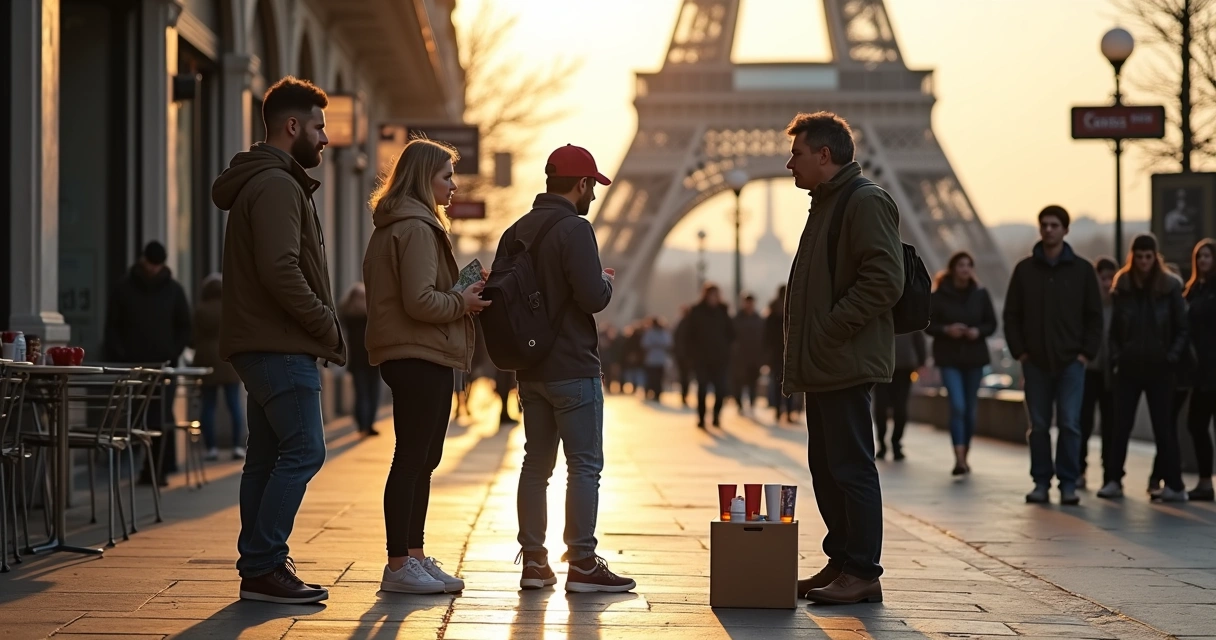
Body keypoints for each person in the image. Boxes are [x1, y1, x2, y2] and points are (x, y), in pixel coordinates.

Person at [211, 76, 344, 604]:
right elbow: (280, 269)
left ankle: (260, 568)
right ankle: (264, 563)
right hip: (280, 342)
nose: (325, 138)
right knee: (306, 450)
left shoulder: (266, 180)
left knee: (265, 458)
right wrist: (324, 323)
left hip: (263, 340)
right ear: (292, 126)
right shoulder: (276, 185)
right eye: (318, 127)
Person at [499, 145, 635, 593]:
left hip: (530, 369)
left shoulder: (516, 230)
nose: (593, 196)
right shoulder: (575, 229)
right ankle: (581, 561)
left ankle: (534, 562)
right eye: (591, 186)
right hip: (572, 367)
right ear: (580, 184)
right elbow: (592, 298)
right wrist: (608, 283)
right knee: (584, 466)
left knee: (535, 465)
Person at [781, 112, 904, 605]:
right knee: (827, 465)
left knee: (850, 466)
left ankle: (863, 570)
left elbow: (885, 279)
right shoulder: (828, 203)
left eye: (797, 153)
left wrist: (831, 328)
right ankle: (842, 561)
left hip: (844, 359)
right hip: (827, 360)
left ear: (824, 155)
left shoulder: (863, 201)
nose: (790, 163)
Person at [363, 139, 488, 594]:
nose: (453, 185)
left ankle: (412, 555)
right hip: (418, 352)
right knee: (413, 459)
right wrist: (463, 300)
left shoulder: (401, 225)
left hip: (416, 350)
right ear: (423, 178)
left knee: (423, 459)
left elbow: (415, 293)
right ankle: (399, 564)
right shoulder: (415, 227)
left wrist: (461, 289)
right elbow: (419, 301)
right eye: (446, 176)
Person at [1003, 205, 1102, 506]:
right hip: (1035, 362)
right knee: (1041, 427)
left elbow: (1094, 317)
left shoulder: (1083, 271)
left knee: (1070, 424)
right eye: (1044, 224)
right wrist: (1021, 352)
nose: (1048, 229)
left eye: (1054, 225)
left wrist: (1085, 354)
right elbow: (1011, 315)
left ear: (1065, 230)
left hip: (1072, 361)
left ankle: (1068, 482)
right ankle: (1042, 481)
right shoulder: (1024, 270)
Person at [1098, 234, 1189, 502]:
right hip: (1129, 366)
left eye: (1148, 257)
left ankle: (1174, 484)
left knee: (1164, 427)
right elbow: (1114, 330)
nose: (1144, 262)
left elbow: (1182, 329)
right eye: (1140, 257)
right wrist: (1118, 356)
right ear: (1133, 256)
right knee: (1120, 426)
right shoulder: (1123, 285)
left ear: (1155, 256)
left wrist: (1170, 357)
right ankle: (1113, 479)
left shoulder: (1170, 286)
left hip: (1159, 367)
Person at [103, 240, 192, 485]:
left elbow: (185, 327)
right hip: (132, 367)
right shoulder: (124, 288)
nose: (153, 270)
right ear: (143, 261)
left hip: (162, 366)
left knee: (159, 418)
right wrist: (121, 355)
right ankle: (145, 468)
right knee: (137, 419)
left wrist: (172, 352)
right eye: (150, 264)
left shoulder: (173, 290)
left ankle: (159, 469)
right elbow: (113, 326)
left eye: (157, 265)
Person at [924, 251, 997, 474]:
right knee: (958, 406)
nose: (965, 269)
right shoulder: (938, 296)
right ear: (953, 268)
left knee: (970, 410)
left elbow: (991, 324)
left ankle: (965, 454)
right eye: (961, 265)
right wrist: (947, 330)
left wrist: (977, 332)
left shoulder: (981, 294)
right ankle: (959, 458)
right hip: (949, 358)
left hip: (974, 358)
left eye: (969, 265)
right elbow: (927, 324)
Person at [190, 274, 245, 460]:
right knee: (234, 405)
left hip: (207, 363)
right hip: (230, 361)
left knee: (208, 405)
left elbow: (192, 338)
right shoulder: (232, 308)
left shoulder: (200, 310)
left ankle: (211, 447)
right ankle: (237, 446)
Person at [1078, 258, 1117, 490]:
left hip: (1111, 371)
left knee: (1111, 425)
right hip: (1089, 369)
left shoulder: (1121, 305)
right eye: (1102, 278)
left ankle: (1109, 473)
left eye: (1110, 278)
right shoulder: (1087, 305)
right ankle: (1079, 469)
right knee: (1083, 423)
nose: (1106, 283)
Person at [1184, 239, 1216, 501]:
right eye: (1199, 256)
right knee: (1196, 424)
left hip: (1212, 369)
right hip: (1199, 371)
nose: (1203, 260)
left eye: (1207, 256)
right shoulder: (1194, 290)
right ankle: (1205, 481)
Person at [686, 283, 735, 428]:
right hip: (701, 358)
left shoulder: (723, 311)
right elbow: (689, 335)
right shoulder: (696, 311)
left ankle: (716, 416)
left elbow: (732, 334)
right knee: (702, 389)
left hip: (720, 359)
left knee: (720, 390)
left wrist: (726, 349)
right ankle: (701, 418)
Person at [872, 332, 926, 462]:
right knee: (898, 407)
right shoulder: (909, 312)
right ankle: (894, 444)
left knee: (883, 407)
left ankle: (885, 444)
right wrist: (920, 360)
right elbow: (919, 336)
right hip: (899, 364)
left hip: (884, 363)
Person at [339, 283, 380, 437]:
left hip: (357, 361)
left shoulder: (348, 316)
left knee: (361, 393)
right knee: (371, 393)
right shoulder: (370, 315)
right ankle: (368, 424)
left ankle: (362, 424)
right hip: (373, 359)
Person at [732, 294, 766, 414]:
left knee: (753, 383)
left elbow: (764, 339)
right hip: (740, 358)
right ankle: (739, 404)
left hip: (754, 358)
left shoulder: (759, 319)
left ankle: (751, 403)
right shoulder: (737, 319)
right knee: (739, 383)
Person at [641, 317, 673, 401]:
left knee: (654, 378)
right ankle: (655, 393)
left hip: (654, 360)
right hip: (658, 360)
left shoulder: (651, 332)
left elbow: (645, 344)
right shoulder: (661, 333)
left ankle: (654, 393)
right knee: (657, 378)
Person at [673, 306, 693, 406]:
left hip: (685, 355)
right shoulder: (683, 323)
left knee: (684, 376)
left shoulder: (683, 323)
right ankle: (684, 394)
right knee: (685, 376)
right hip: (684, 355)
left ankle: (684, 394)